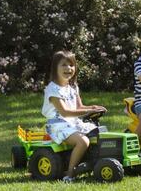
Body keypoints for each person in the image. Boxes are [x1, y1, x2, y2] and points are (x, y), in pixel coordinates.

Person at [41, 50, 106, 182]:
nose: (68, 68)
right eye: (64, 65)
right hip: (58, 125)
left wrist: (93, 108)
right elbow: (64, 112)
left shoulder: (72, 87)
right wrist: (86, 113)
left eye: (71, 65)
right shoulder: (53, 89)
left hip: (72, 122)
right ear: (55, 68)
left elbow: (79, 108)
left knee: (101, 133)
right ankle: (70, 172)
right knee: (83, 141)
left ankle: (94, 162)